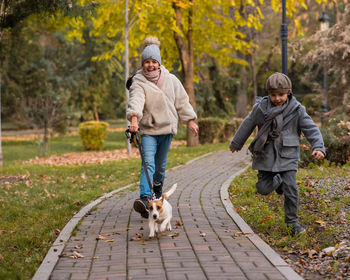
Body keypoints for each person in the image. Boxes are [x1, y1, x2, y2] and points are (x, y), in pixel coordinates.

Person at [229, 72, 325, 234]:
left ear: (288, 93)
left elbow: (311, 129)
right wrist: (236, 143)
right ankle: (277, 181)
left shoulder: (297, 110)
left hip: (288, 155)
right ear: (269, 94)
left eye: (281, 95)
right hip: (265, 155)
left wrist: (318, 146)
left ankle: (292, 223)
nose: (277, 98)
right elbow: (248, 124)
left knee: (291, 189)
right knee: (263, 188)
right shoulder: (261, 109)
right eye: (273, 95)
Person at [126, 37, 199, 219]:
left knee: (160, 166)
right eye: (147, 62)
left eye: (154, 62)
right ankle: (145, 198)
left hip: (167, 129)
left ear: (159, 63)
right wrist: (134, 119)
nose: (150, 65)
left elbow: (182, 100)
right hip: (149, 130)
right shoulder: (139, 81)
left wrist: (190, 120)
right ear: (143, 63)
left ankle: (157, 189)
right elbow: (136, 100)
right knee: (148, 162)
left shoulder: (171, 79)